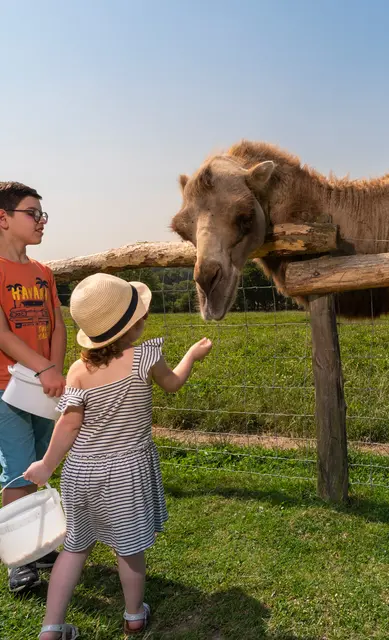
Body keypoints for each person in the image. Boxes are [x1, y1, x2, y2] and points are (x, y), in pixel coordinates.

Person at [24, 273, 212, 639]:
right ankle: (133, 616)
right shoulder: (145, 357)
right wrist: (192, 354)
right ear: (133, 325)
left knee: (74, 550)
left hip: (81, 473)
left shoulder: (78, 371)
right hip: (126, 473)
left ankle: (50, 628)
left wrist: (47, 464)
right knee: (129, 551)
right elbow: (173, 383)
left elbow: (68, 425)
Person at [0, 181, 67, 593]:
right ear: (3, 218)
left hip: (45, 385)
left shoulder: (44, 272)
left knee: (41, 464)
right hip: (7, 388)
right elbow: (2, 333)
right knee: (18, 470)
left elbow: (57, 323)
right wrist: (44, 368)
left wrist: (55, 370)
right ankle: (17, 560)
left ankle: (39, 545)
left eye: (43, 214)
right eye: (32, 213)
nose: (41, 220)